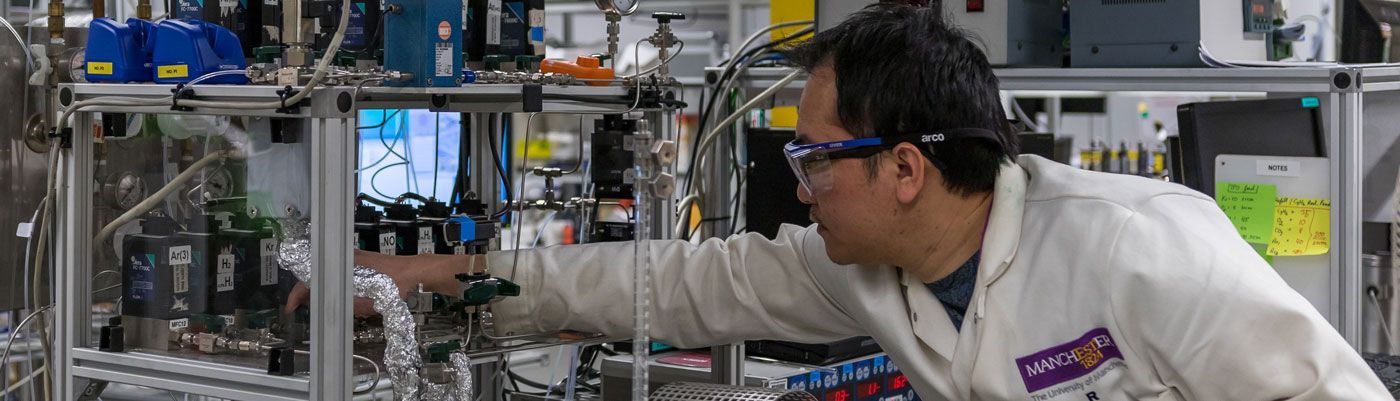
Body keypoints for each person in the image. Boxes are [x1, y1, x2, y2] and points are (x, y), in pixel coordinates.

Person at [298, 4, 1390, 399]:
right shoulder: (867, 265)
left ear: (904, 168)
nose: (796, 182)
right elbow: (672, 280)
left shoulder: (1152, 253)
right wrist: (425, 277)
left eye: (817, 159)